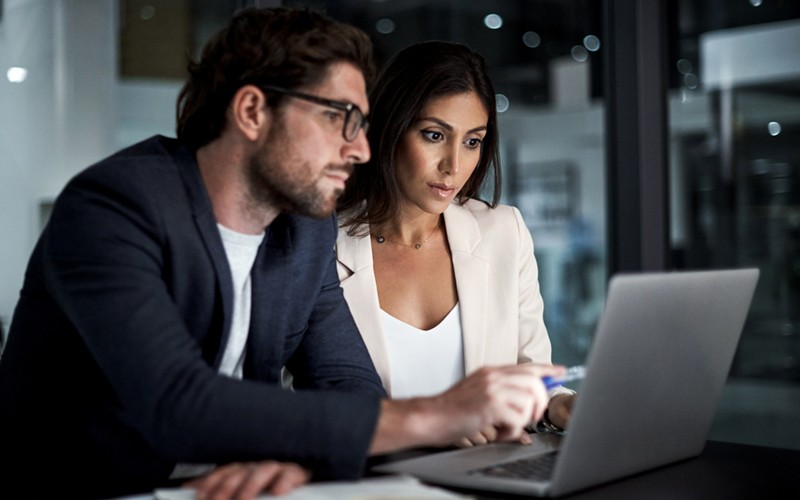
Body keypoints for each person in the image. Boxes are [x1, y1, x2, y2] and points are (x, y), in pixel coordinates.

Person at [0, 8, 564, 500]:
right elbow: (177, 401)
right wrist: (438, 414)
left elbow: (348, 382)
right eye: (339, 120)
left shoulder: (303, 231)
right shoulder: (112, 208)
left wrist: (300, 450)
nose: (361, 148)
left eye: (363, 125)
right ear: (251, 112)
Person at [336, 40, 576, 446]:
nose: (454, 165)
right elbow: (298, 400)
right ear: (389, 128)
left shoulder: (504, 232)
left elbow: (533, 373)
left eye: (472, 141)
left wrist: (561, 405)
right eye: (434, 135)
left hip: (484, 474)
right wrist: (428, 427)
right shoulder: (322, 245)